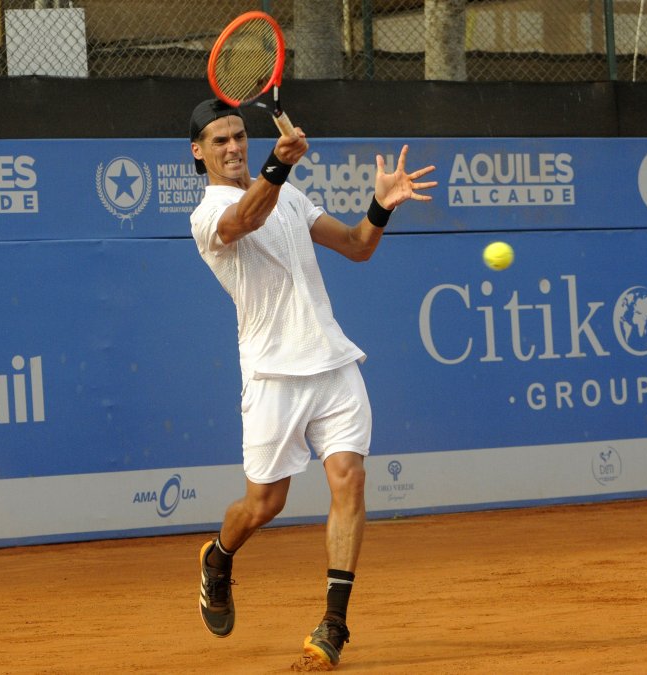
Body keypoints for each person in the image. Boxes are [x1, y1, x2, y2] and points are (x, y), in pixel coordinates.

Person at [188, 98, 436, 670]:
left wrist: (380, 205)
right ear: (198, 152)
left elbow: (356, 246)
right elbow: (244, 220)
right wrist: (277, 166)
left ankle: (333, 624)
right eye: (218, 141)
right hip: (273, 375)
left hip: (332, 362)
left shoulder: (291, 198)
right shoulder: (205, 217)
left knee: (349, 479)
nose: (232, 148)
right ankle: (219, 558)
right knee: (264, 504)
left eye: (237, 136)